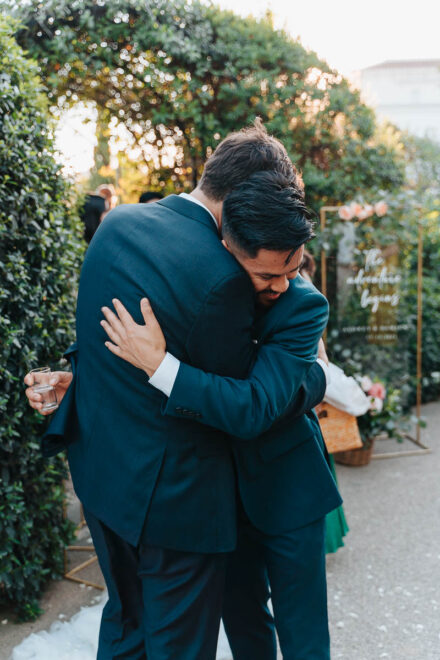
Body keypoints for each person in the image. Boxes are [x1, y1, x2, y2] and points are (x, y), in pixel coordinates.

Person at [25, 122, 340, 659]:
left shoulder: (301, 301)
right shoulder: (214, 267)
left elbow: (263, 399)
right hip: (217, 499)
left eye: (292, 269)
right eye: (270, 273)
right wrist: (86, 376)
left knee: (303, 631)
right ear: (233, 226)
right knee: (244, 622)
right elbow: (136, 329)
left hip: (282, 482)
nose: (281, 283)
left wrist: (313, 379)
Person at [300, 250, 349, 554]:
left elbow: (319, 351)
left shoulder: (300, 287)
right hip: (311, 386)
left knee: (315, 472)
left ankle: (320, 541)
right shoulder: (306, 281)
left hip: (307, 391)